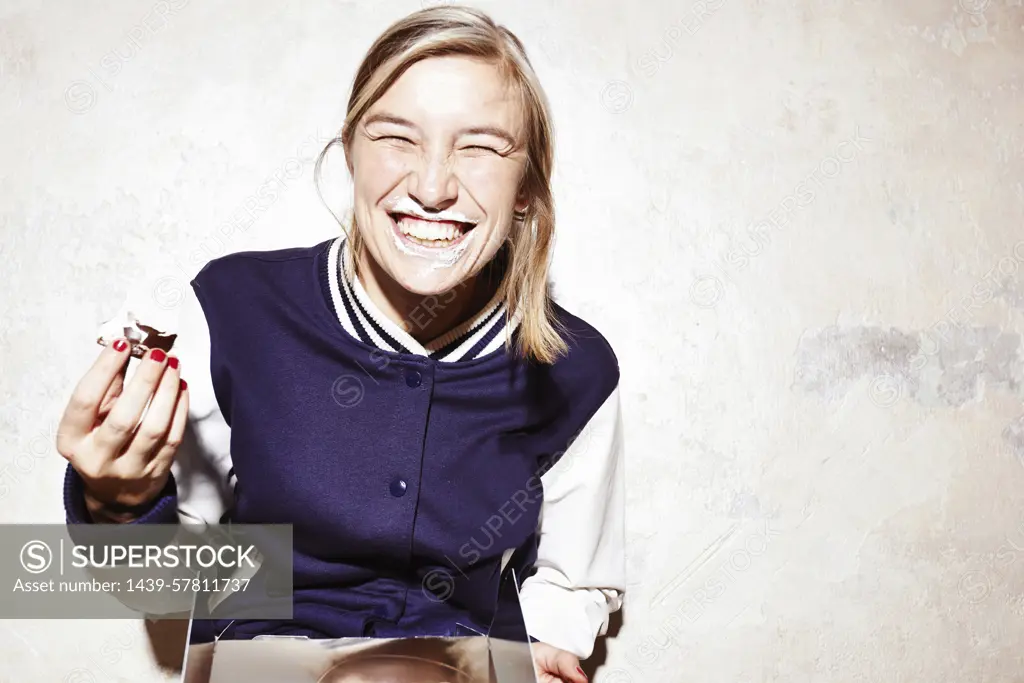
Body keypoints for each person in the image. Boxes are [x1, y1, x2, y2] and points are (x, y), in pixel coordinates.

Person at [57, 7, 625, 683]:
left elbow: (573, 580)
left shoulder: (577, 369)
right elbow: (170, 587)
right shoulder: (236, 309)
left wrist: (548, 644)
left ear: (528, 185)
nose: (434, 185)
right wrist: (117, 501)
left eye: (479, 146)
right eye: (397, 138)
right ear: (350, 151)